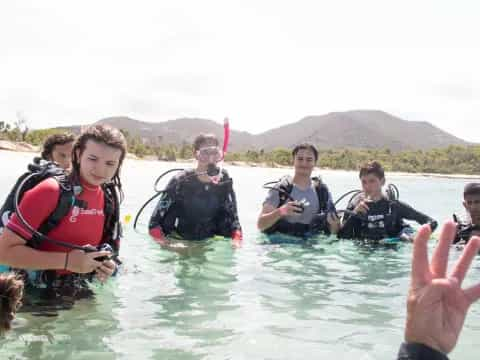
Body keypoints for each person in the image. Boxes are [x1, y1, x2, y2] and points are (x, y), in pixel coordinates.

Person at [0, 124, 125, 300]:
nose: (101, 170)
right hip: (30, 293)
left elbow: (108, 248)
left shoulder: (109, 198)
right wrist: (66, 261)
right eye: (93, 159)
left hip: (76, 288)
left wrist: (107, 266)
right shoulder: (50, 191)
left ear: (119, 164)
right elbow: (3, 253)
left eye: (110, 163)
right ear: (78, 154)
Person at [397, 221, 480, 359]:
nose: (475, 207)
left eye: (477, 202)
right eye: (470, 202)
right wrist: (427, 348)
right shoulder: (462, 230)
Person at [149, 133, 242, 246]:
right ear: (196, 155)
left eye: (214, 153)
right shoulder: (181, 181)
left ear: (220, 155)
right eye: (205, 153)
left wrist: (236, 242)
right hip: (181, 242)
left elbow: (235, 222)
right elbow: (153, 224)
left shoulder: (224, 181)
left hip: (210, 244)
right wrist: (169, 245)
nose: (210, 159)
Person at [338, 161, 437, 241]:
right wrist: (355, 214)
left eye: (372, 181)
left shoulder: (393, 206)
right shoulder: (355, 205)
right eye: (364, 182)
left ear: (382, 181)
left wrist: (420, 236)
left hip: (390, 255)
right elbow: (342, 236)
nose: (367, 186)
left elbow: (431, 222)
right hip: (364, 255)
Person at [257, 143, 339, 238]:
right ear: (293, 161)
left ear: (315, 163)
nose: (304, 163)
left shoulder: (322, 191)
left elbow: (335, 232)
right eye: (300, 159)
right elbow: (260, 225)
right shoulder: (281, 189)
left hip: (311, 248)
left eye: (309, 160)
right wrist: (281, 211)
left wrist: (334, 225)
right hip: (281, 247)